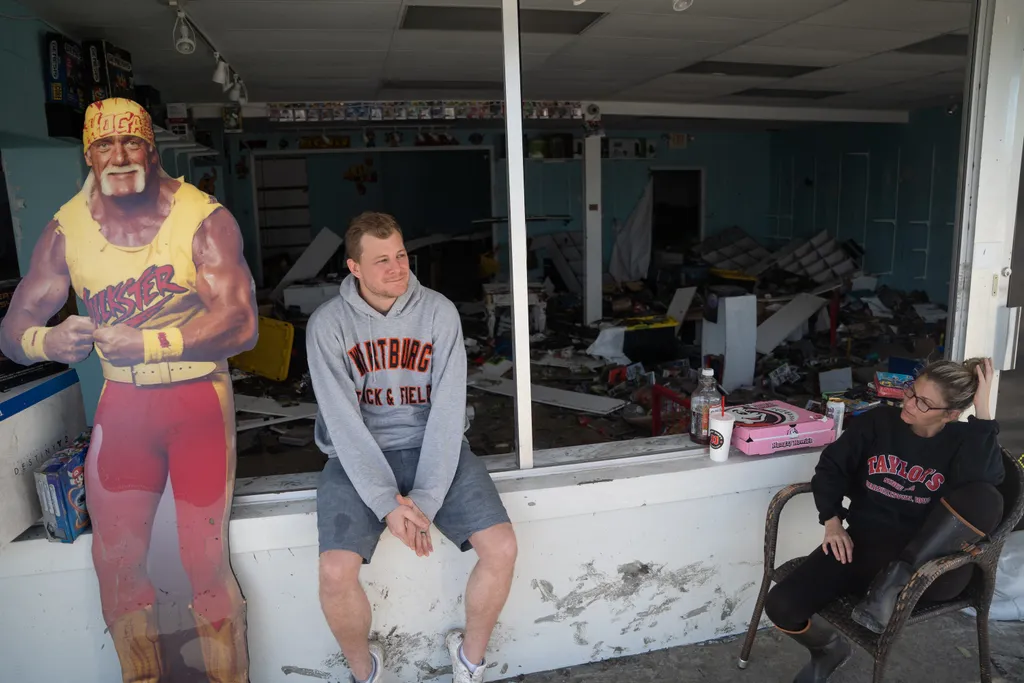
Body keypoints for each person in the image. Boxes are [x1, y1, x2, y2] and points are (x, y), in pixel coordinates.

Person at [0, 98, 258, 683]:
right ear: (87, 154)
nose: (118, 157)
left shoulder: (202, 217)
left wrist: (152, 343)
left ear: (151, 148)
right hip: (123, 411)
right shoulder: (67, 228)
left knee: (202, 563)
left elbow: (242, 325)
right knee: (113, 562)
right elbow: (12, 332)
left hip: (196, 402)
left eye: (131, 143)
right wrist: (48, 340)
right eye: (103, 146)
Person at [308, 212, 518, 683]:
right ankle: (367, 672)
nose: (397, 267)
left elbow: (448, 411)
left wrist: (423, 500)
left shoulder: (438, 312)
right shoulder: (328, 325)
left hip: (434, 448)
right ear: (353, 267)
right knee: (334, 573)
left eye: (401, 255)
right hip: (356, 454)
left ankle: (468, 661)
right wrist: (387, 503)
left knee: (502, 548)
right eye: (381, 259)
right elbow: (343, 422)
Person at [764, 358, 1005, 683]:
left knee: (987, 496)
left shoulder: (964, 441)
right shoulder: (879, 423)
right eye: (911, 392)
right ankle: (828, 650)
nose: (908, 403)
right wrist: (832, 521)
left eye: (923, 402)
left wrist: (984, 413)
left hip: (927, 572)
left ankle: (896, 577)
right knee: (781, 605)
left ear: (950, 414)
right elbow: (831, 467)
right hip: (861, 547)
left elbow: (986, 485)